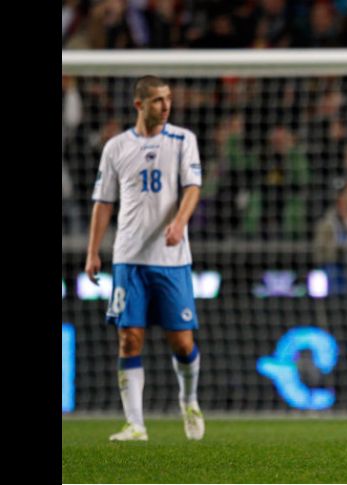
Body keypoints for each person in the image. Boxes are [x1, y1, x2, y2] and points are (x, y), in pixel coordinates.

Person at [85, 76, 205, 442]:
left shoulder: (183, 140)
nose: (165, 106)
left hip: (171, 259)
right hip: (129, 258)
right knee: (129, 340)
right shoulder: (117, 147)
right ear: (139, 105)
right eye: (157, 101)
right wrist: (93, 252)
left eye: (167, 99)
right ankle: (135, 424)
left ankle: (189, 399)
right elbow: (103, 202)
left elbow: (192, 188)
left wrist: (179, 223)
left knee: (182, 343)